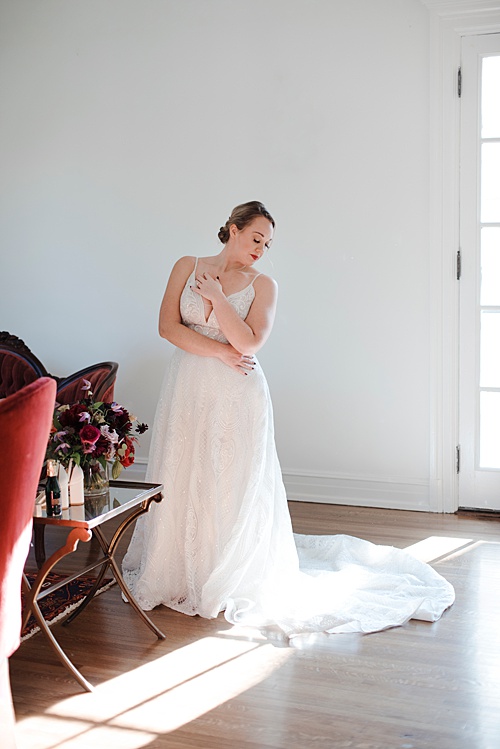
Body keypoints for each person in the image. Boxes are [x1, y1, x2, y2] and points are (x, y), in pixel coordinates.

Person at [122, 201, 454, 638]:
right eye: (256, 238)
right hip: (187, 387)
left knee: (228, 478)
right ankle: (178, 570)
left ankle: (221, 571)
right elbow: (168, 328)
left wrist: (218, 300)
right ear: (233, 229)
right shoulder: (187, 265)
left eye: (267, 244)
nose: (261, 249)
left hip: (237, 392)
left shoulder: (263, 285)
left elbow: (248, 343)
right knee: (184, 471)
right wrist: (220, 351)